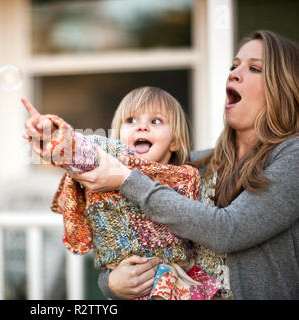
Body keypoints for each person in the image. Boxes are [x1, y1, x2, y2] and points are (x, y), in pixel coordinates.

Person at [67, 30, 299, 300]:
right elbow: (133, 232)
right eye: (233, 66)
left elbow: (229, 230)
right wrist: (113, 283)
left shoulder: (291, 156)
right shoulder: (192, 167)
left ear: (285, 86)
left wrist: (127, 180)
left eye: (254, 68)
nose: (234, 74)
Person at [23, 87, 222, 299]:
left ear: (174, 141)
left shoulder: (185, 178)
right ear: (117, 137)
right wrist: (53, 136)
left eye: (155, 121)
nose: (142, 127)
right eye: (131, 120)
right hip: (128, 282)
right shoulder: (107, 165)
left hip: (178, 281)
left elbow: (204, 230)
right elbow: (81, 152)